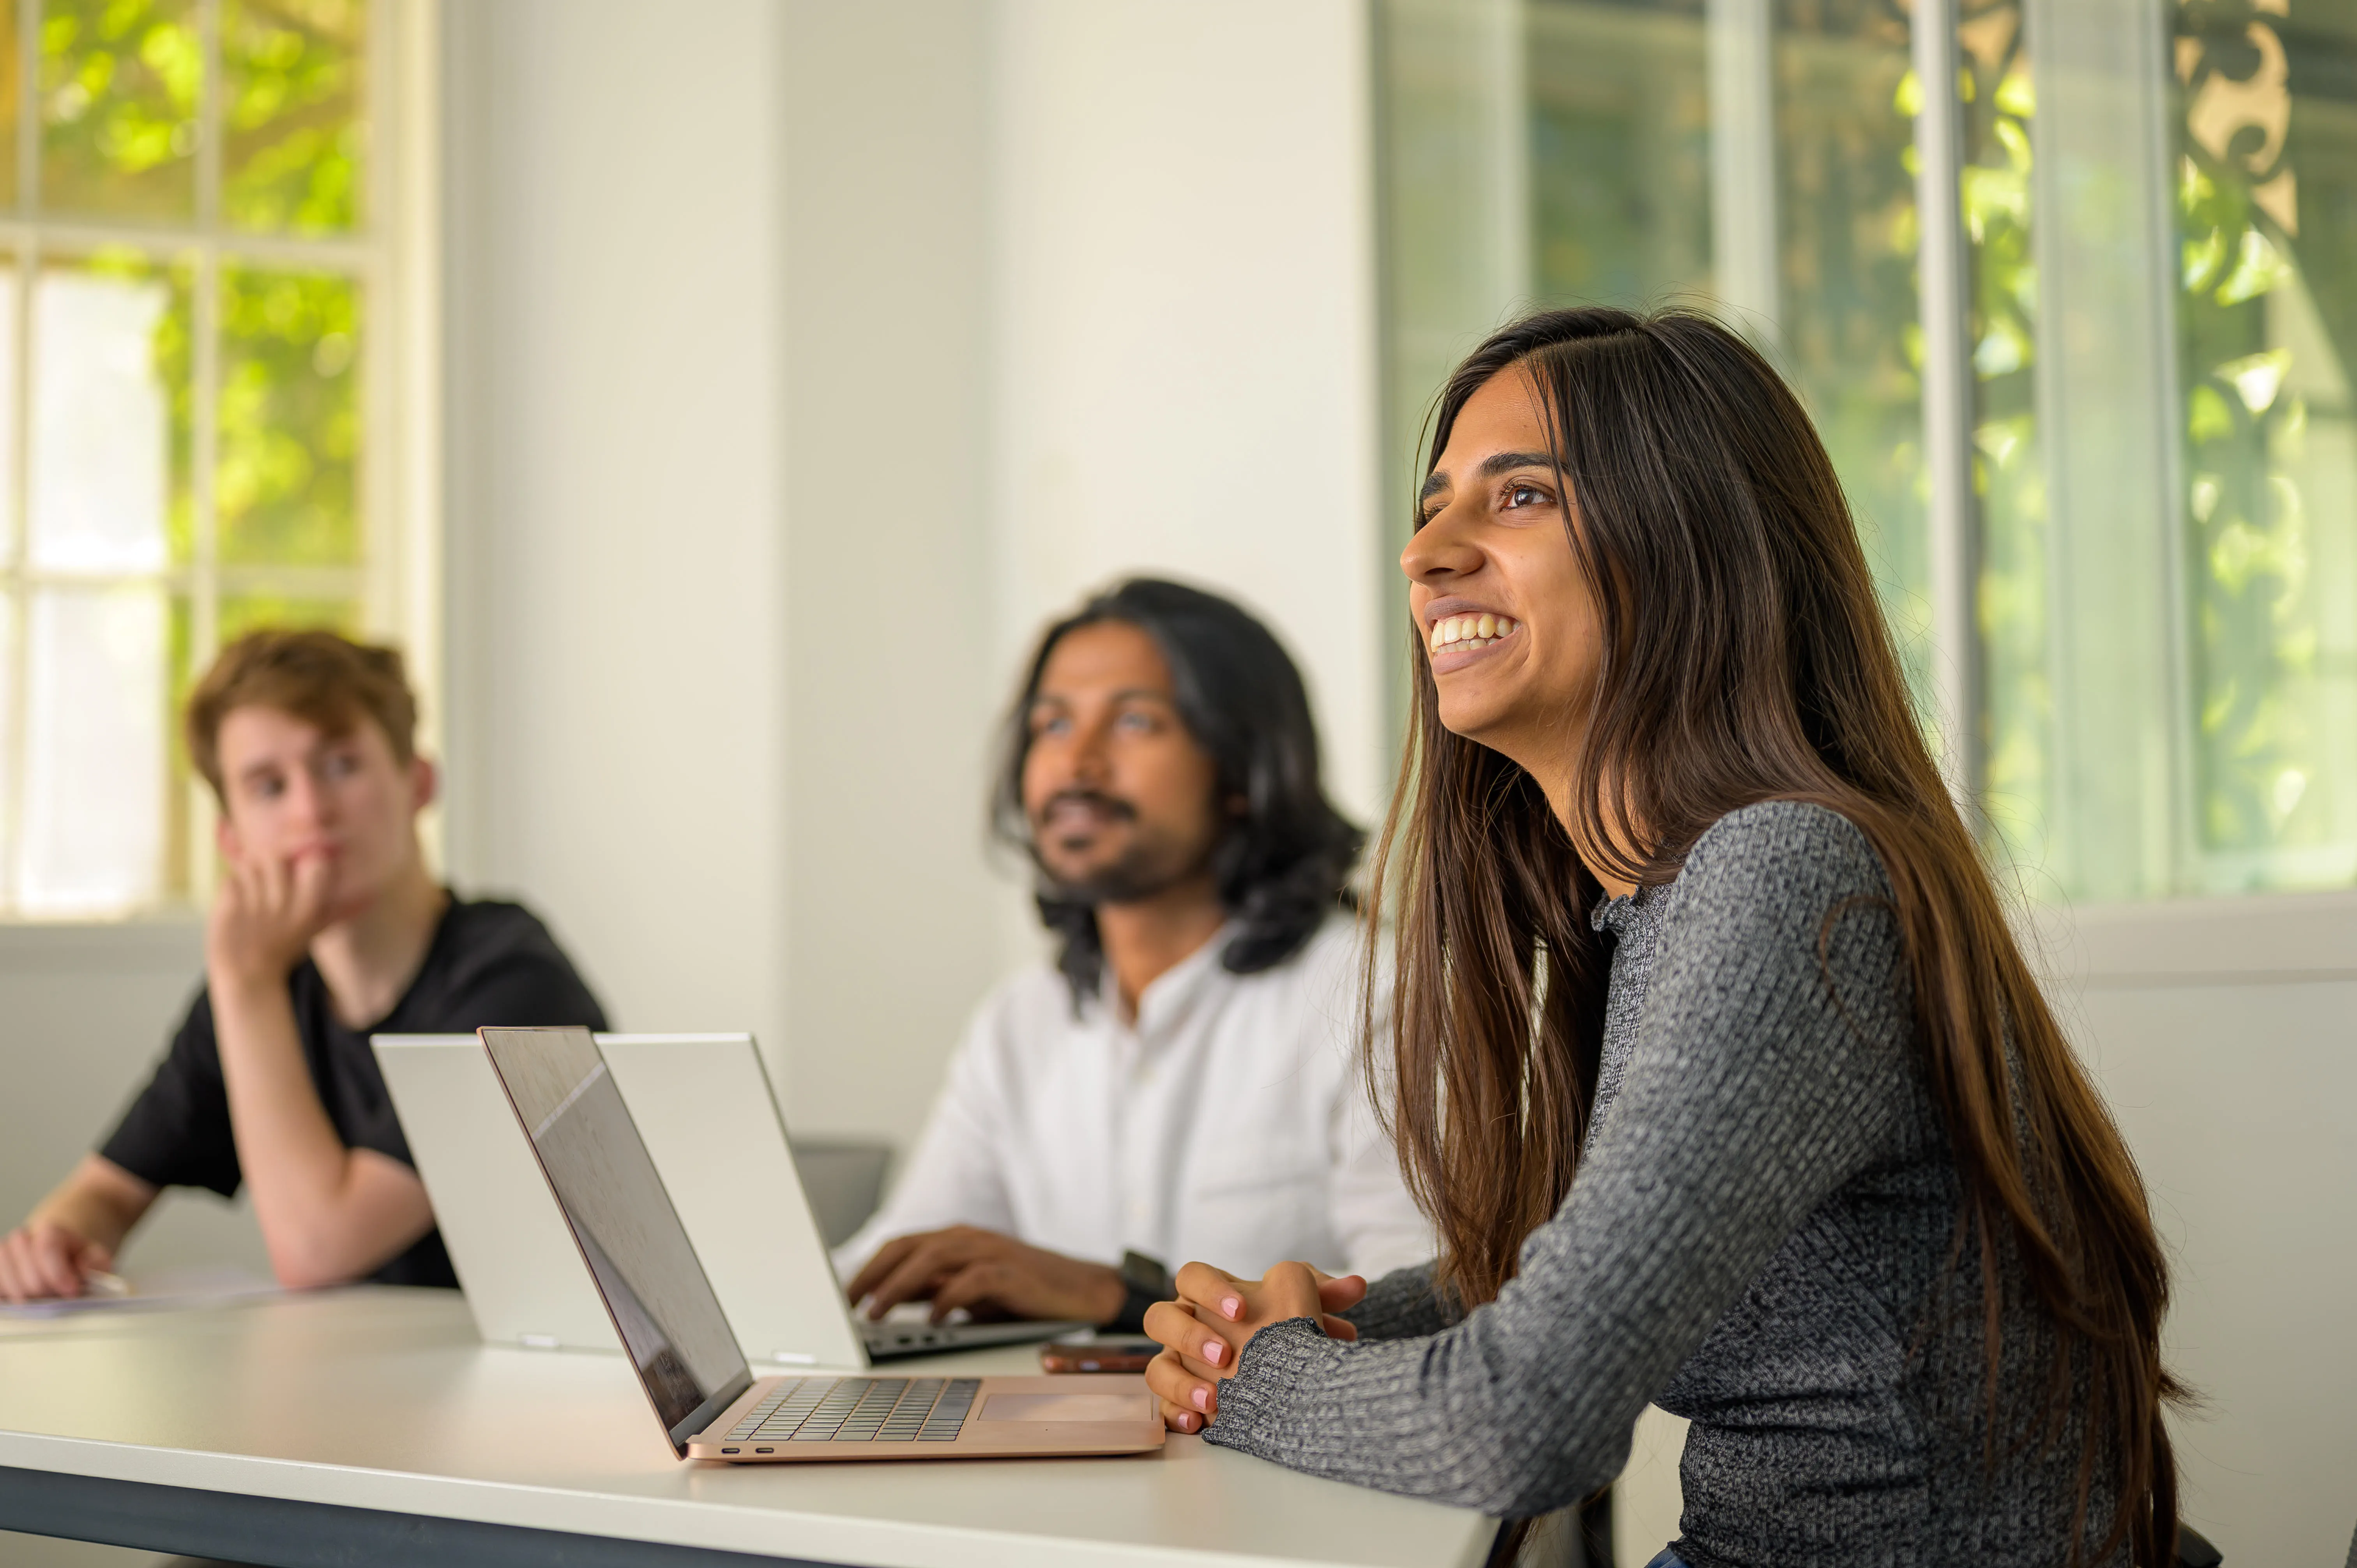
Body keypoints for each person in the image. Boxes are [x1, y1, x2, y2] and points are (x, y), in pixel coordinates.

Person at [1143, 309, 2186, 1567]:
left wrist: (1259, 1375)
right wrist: (1345, 1327)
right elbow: (1601, 1263)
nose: (1424, 554)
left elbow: (1520, 1422)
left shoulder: (1778, 871)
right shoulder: (1659, 900)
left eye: (1515, 494)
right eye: (1430, 510)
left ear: (1686, 546)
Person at [836, 579, 1430, 1333]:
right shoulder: (1024, 1018)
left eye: (1135, 721)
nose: (1077, 761)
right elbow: (899, 1259)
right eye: (1052, 724)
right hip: (1055, 1443)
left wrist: (1121, 1299)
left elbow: (1428, 1306)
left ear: (1243, 767)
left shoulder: (1379, 995)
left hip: (1276, 1451)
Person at [0, 630, 608, 1302]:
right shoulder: (263, 990)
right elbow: (106, 1189)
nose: (311, 812)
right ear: (231, 838)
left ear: (418, 782)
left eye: (342, 765)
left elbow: (320, 1248)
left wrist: (247, 982)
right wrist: (55, 1239)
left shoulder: (515, 982)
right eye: (269, 786)